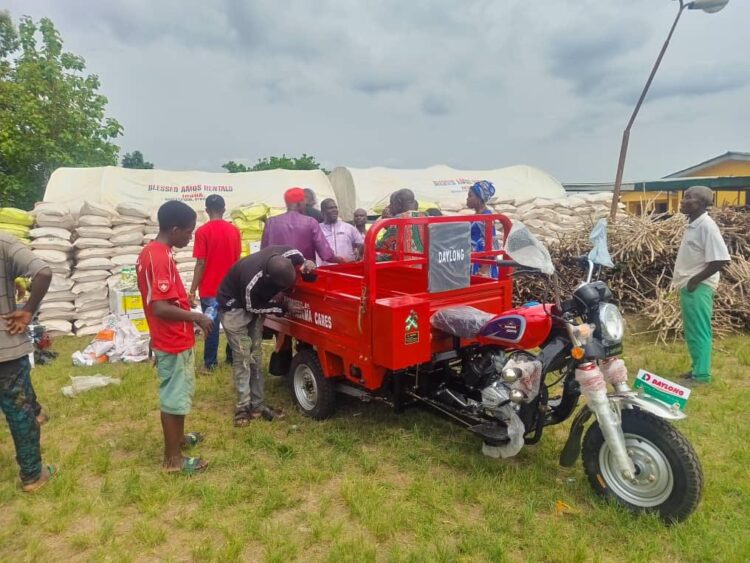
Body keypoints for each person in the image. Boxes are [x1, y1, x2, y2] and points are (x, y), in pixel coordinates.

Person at [137, 201, 214, 474]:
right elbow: (158, 306)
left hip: (170, 336)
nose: (190, 237)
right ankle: (173, 460)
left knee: (180, 393)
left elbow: (152, 302)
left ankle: (179, 440)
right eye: (189, 232)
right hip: (172, 339)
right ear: (174, 228)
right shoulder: (158, 256)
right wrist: (197, 317)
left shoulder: (156, 251)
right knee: (173, 397)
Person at [217, 245, 315, 426]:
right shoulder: (251, 280)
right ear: (269, 278)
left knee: (255, 356)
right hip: (235, 310)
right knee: (244, 358)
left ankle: (257, 405)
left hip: (255, 304)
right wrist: (283, 308)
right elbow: (252, 307)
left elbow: (302, 258)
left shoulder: (291, 254)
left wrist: (308, 263)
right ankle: (242, 408)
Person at [0, 233, 55, 492]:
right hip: (5, 348)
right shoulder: (4, 242)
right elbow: (43, 272)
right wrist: (28, 308)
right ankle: (33, 475)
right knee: (19, 412)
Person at [673, 186, 731, 386]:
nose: (683, 201)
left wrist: (695, 280)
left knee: (699, 330)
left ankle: (702, 376)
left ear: (701, 203)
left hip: (699, 287)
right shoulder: (694, 224)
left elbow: (721, 260)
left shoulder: (707, 226)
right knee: (692, 331)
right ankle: (697, 368)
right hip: (690, 286)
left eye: (688, 198)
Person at [189, 195, 241, 372]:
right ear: (224, 209)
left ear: (207, 211)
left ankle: (210, 364)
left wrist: (192, 289)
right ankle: (232, 358)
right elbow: (237, 259)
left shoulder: (202, 232)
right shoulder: (234, 231)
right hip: (231, 288)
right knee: (232, 326)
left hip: (210, 290)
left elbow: (201, 263)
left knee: (210, 326)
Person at [261, 187, 344, 264]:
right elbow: (326, 255)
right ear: (300, 203)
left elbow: (263, 254)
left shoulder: (271, 222)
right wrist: (342, 260)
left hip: (277, 275)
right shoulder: (310, 222)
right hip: (303, 274)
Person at [377, 189, 425, 256]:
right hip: (427, 264)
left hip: (406, 265)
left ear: (398, 202)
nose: (390, 207)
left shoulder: (397, 220)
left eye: (392, 203)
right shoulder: (426, 216)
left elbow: (383, 247)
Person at [466, 180, 499, 278]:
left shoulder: (486, 217)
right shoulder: (476, 216)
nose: (467, 199)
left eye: (470, 196)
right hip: (474, 261)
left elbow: (492, 243)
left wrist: (483, 270)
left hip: (482, 266)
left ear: (479, 199)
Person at [319, 199, 364, 264]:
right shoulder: (318, 229)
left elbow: (361, 243)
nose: (334, 210)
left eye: (335, 207)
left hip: (346, 269)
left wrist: (358, 253)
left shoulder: (348, 227)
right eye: (330, 208)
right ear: (322, 212)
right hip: (325, 270)